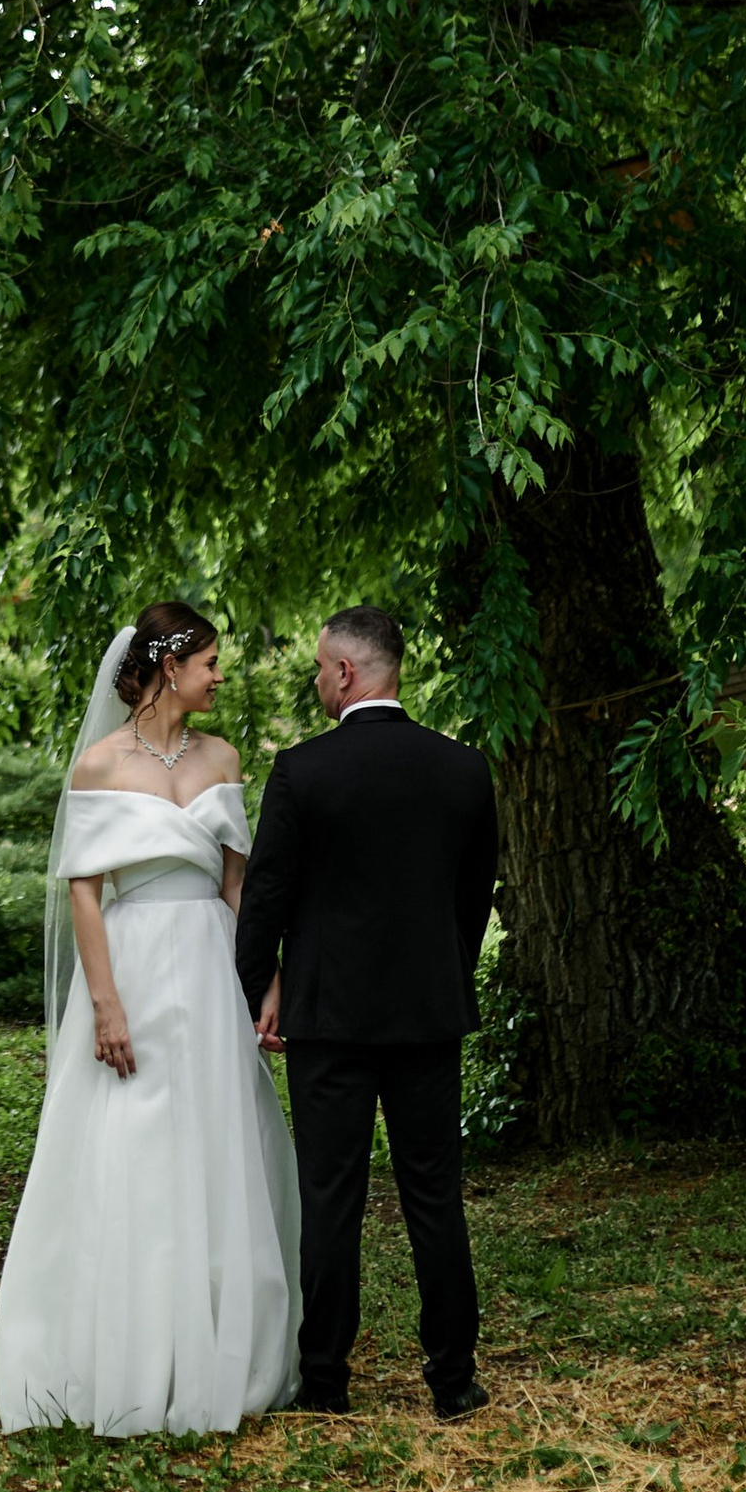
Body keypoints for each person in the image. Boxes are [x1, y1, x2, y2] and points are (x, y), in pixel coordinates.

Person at [0, 605, 301, 1437]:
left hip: (206, 962)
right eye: (209, 661)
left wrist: (264, 979)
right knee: (131, 1142)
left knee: (212, 1141)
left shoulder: (224, 757)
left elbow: (237, 886)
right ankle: (122, 1350)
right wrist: (105, 1002)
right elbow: (84, 887)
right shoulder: (99, 765)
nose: (219, 675)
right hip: (129, 962)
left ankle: (215, 1349)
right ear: (169, 666)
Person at [232, 606, 498, 1421]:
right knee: (434, 1197)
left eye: (319, 667)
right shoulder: (462, 768)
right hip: (427, 1016)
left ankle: (326, 1383)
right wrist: (440, 977)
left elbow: (265, 901)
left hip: (329, 1021)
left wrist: (258, 993)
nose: (315, 679)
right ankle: (453, 1382)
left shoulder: (301, 772)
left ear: (346, 672)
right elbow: (472, 898)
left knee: (331, 1199)